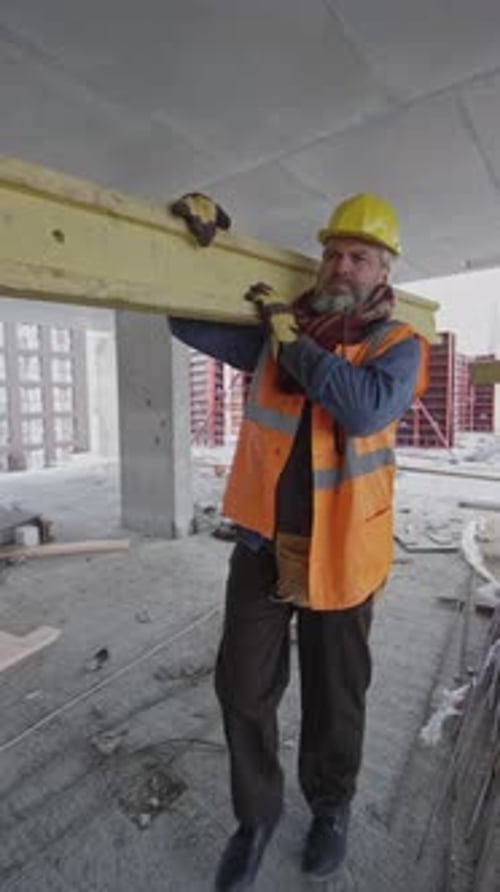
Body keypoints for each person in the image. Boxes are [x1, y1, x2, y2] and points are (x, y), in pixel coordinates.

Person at [170, 193, 429, 891]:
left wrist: (293, 341)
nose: (341, 265)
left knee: (335, 696)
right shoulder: (276, 330)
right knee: (242, 689)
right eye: (332, 252)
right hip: (261, 545)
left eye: (359, 255)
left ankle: (330, 809)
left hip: (344, 551)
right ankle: (255, 819)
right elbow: (183, 318)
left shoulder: (400, 345)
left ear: (383, 271)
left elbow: (362, 405)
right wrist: (204, 248)